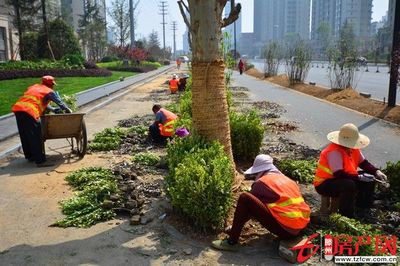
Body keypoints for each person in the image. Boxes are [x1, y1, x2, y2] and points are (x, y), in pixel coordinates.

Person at [211, 154, 311, 251]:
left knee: (244, 197)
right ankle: (234, 234)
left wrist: (234, 228)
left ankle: (231, 242)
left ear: (259, 170)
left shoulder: (262, 183)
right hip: (301, 226)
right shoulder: (289, 181)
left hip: (287, 231)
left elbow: (248, 206)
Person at [313, 123, 388, 218]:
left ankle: (363, 206)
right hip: (324, 184)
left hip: (341, 179)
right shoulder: (334, 151)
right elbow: (338, 173)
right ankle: (346, 214)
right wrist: (359, 177)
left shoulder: (353, 149)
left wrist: (376, 172)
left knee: (369, 177)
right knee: (349, 185)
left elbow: (364, 163)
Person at [11, 76, 72, 167]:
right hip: (29, 112)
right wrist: (68, 110)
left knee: (25, 134)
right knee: (36, 136)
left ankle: (30, 156)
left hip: (18, 109)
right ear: (51, 84)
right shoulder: (49, 91)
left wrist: (53, 109)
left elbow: (37, 101)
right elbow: (60, 102)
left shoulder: (34, 87)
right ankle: (40, 161)